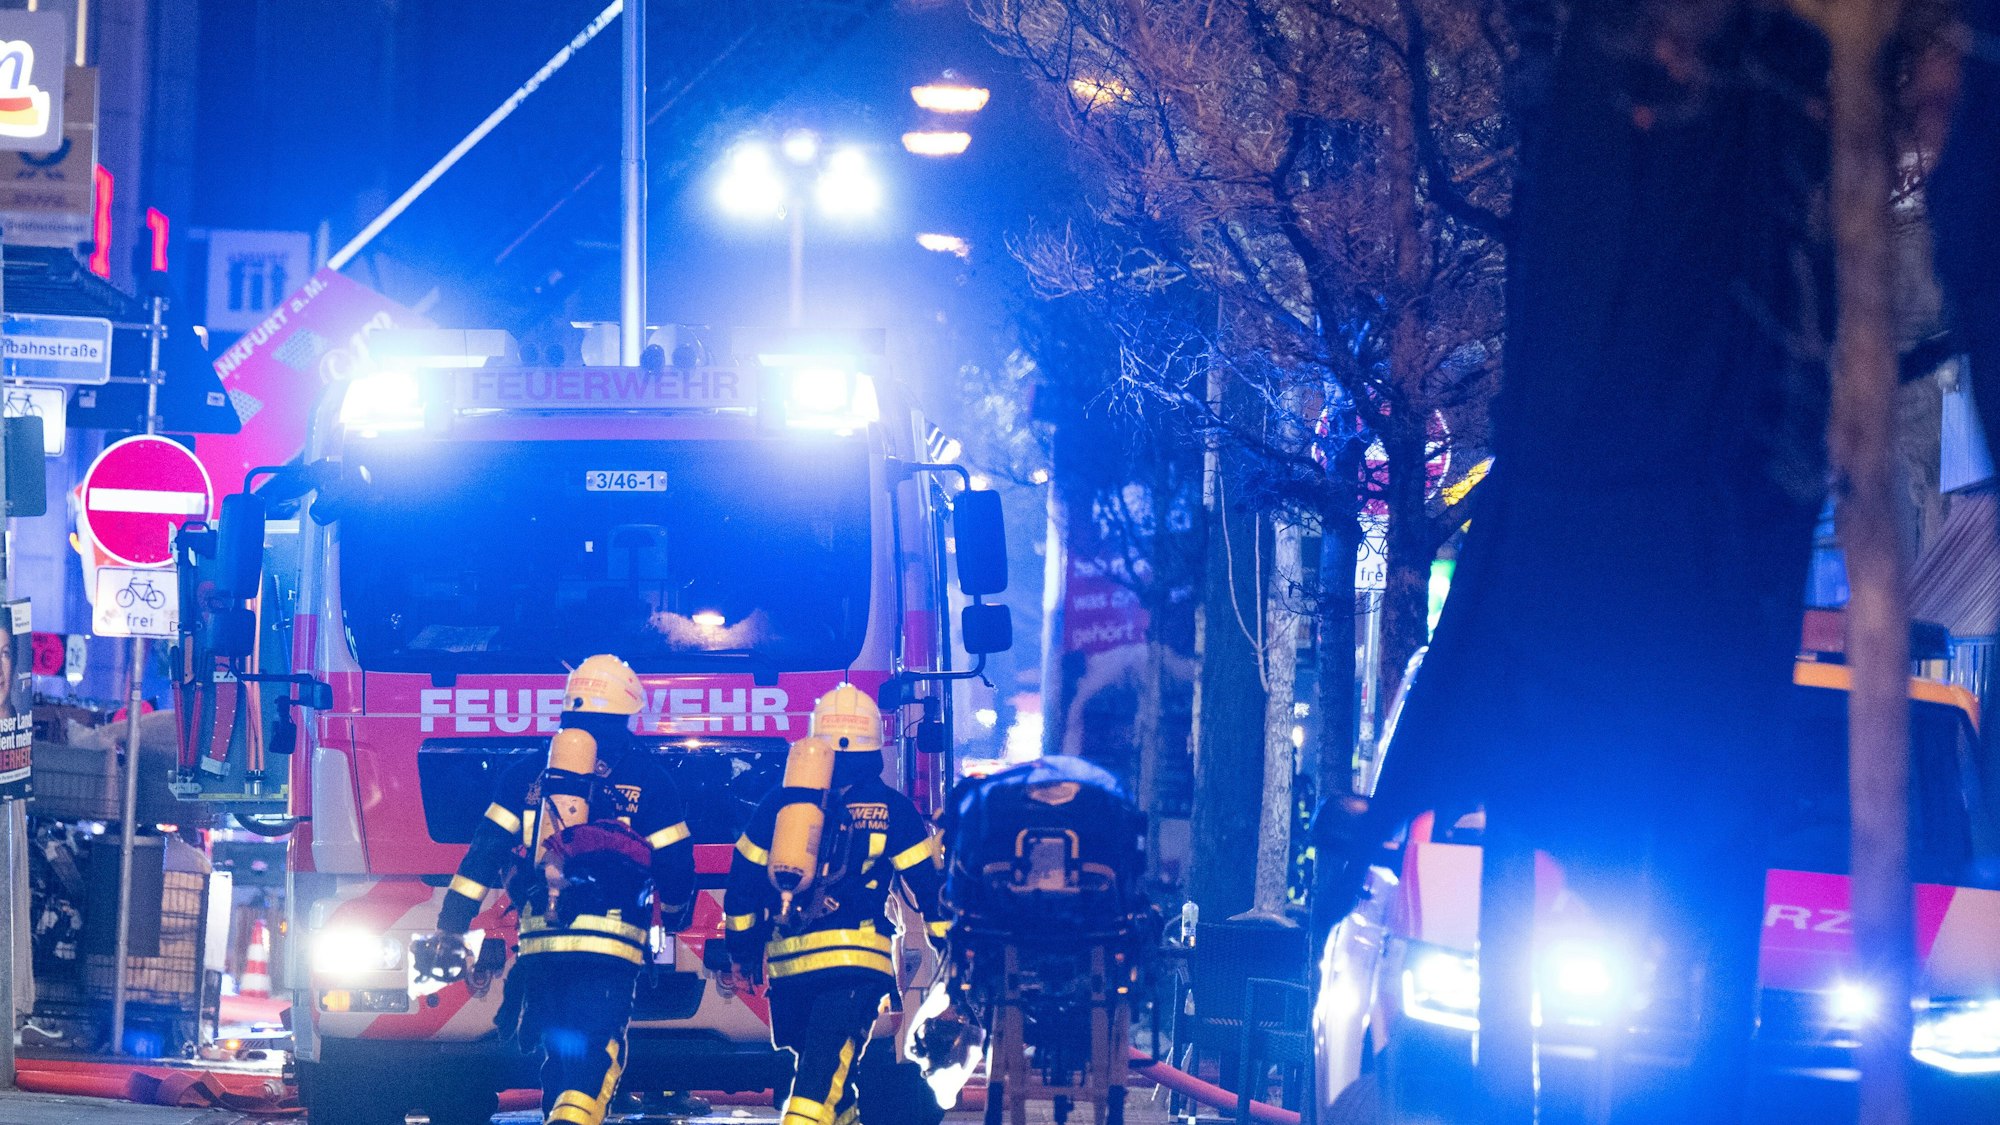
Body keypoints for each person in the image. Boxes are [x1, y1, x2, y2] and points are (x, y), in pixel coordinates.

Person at [413, 654, 695, 1125]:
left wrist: (452, 924)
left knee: (560, 1054)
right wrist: (677, 913)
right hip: (610, 945)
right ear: (625, 710)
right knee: (595, 1056)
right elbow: (676, 862)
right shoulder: (648, 779)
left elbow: (482, 855)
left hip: (540, 943)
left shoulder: (524, 774)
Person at [721, 684, 952, 1125]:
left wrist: (742, 953)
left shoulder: (778, 804)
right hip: (856, 966)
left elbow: (742, 887)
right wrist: (949, 960)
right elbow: (929, 891)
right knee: (818, 1084)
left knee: (830, 1081)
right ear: (874, 744)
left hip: (791, 972)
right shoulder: (894, 808)